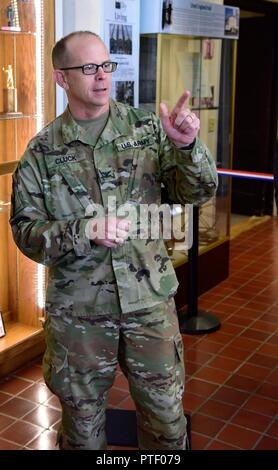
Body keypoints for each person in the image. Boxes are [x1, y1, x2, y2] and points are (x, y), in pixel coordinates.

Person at [10, 31, 218, 450]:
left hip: (149, 305)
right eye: (88, 68)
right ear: (61, 78)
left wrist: (186, 147)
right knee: (82, 428)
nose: (102, 76)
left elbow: (196, 192)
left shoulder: (144, 128)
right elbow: (25, 233)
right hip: (79, 316)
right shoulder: (42, 151)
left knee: (166, 423)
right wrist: (82, 231)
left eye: (106, 65)